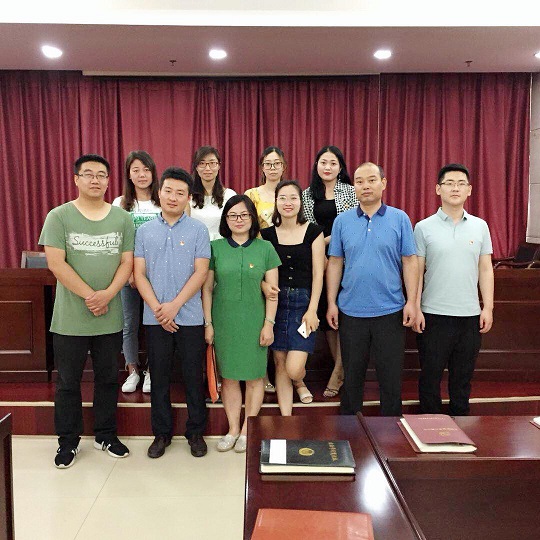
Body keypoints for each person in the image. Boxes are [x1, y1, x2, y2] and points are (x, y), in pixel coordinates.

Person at [39, 154, 134, 468]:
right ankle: (68, 442)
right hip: (70, 319)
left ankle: (106, 435)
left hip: (110, 316)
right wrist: (92, 297)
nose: (96, 180)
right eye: (89, 174)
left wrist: (108, 295)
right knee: (68, 382)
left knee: (108, 379)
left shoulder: (122, 218)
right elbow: (56, 263)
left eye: (102, 174)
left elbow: (127, 262)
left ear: (109, 181)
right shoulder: (59, 216)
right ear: (76, 179)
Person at [327, 162, 418, 416]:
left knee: (391, 380)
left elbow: (409, 261)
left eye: (371, 180)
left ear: (383, 183)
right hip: (351, 312)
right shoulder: (342, 221)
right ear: (353, 186)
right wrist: (332, 302)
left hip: (390, 311)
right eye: (359, 181)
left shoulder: (400, 219)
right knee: (352, 379)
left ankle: (391, 432)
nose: (365, 186)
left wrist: (412, 302)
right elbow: (335, 262)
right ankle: (350, 432)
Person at [134, 167, 210, 459]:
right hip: (155, 318)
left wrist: (175, 305)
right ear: (159, 193)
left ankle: (196, 432)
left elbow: (201, 272)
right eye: (168, 191)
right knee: (159, 378)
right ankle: (161, 434)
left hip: (190, 317)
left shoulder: (198, 230)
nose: (173, 197)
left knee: (193, 377)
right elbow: (139, 274)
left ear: (188, 197)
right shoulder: (144, 231)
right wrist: (158, 309)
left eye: (180, 193)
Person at [413, 163, 494, 416]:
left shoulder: (480, 226)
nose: (455, 188)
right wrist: (415, 307)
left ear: (469, 190)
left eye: (461, 183)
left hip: (469, 317)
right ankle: (429, 426)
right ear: (438, 189)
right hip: (433, 315)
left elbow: (485, 269)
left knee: (462, 379)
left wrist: (488, 307)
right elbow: (417, 271)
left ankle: (461, 424)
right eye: (449, 183)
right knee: (430, 377)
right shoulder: (423, 227)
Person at [202, 195, 280, 452]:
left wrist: (269, 324)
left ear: (252, 218)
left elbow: (273, 291)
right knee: (230, 378)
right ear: (225, 219)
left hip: (255, 321)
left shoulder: (265, 248)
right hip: (224, 321)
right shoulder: (215, 248)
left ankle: (248, 429)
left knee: (256, 377)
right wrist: (208, 323)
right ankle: (233, 428)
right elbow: (207, 290)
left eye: (244, 215)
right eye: (233, 215)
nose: (239, 220)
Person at [261, 181, 325, 414]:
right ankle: (285, 418)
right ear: (276, 202)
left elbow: (318, 274)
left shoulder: (314, 232)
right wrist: (263, 284)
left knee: (294, 368)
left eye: (293, 198)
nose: (288, 203)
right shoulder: (266, 235)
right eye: (283, 198)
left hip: (303, 305)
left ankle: (299, 380)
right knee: (279, 363)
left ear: (301, 202)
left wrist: (313, 309)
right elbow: (257, 270)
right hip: (275, 304)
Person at [302, 145, 357, 399]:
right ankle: (340, 368)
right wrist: (319, 249)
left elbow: (352, 225)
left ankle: (339, 371)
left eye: (333, 163)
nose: (327, 167)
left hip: (346, 259)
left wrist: (325, 243)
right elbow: (306, 228)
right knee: (327, 319)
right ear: (316, 165)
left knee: (344, 316)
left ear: (340, 167)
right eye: (323, 162)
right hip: (317, 262)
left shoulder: (350, 191)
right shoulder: (306, 194)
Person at [113, 151, 160, 394]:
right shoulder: (120, 204)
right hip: (127, 274)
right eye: (136, 170)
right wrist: (130, 273)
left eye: (146, 169)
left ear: (153, 173)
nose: (142, 175)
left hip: (157, 276)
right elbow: (119, 242)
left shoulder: (162, 201)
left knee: (154, 323)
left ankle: (151, 371)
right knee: (129, 324)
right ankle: (133, 370)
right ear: (128, 175)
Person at [245, 146, 287, 394]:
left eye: (276, 163)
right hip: (259, 260)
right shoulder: (251, 195)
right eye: (268, 164)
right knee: (260, 316)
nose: (272, 168)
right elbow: (247, 228)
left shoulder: (291, 192)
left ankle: (285, 374)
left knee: (280, 316)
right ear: (261, 167)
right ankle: (262, 373)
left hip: (288, 259)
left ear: (283, 166)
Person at [189, 146, 236, 240]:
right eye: (202, 163)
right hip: (195, 244)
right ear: (196, 167)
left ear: (219, 166)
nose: (207, 168)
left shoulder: (229, 195)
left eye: (212, 163)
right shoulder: (188, 196)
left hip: (223, 245)